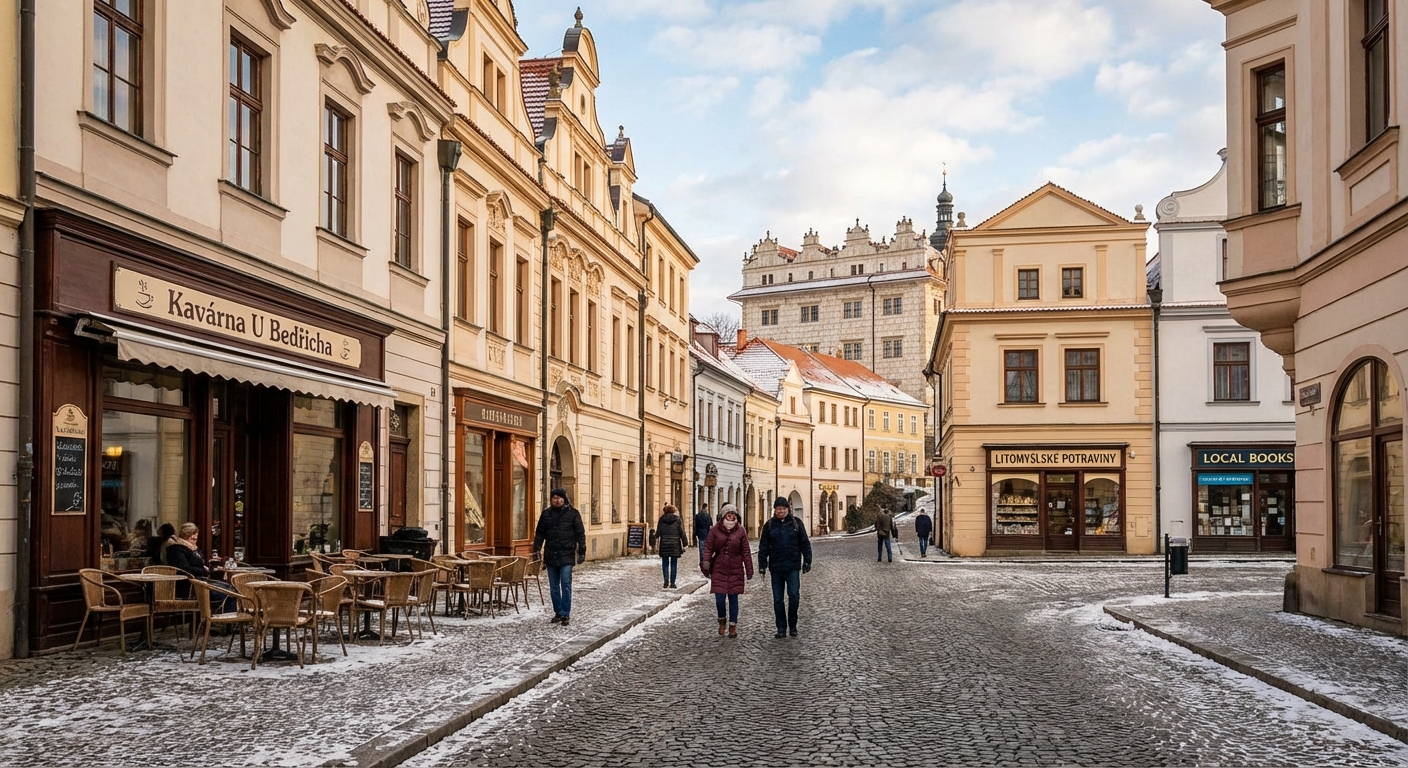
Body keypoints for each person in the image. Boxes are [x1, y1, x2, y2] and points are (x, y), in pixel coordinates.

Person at [757, 496, 812, 639]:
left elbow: (804, 542)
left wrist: (807, 560)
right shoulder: (769, 526)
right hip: (776, 568)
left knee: (794, 596)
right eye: (778, 509)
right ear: (775, 510)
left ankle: (792, 625)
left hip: (793, 566)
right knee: (777, 599)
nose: (780, 511)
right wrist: (762, 565)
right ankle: (781, 627)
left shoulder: (796, 523)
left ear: (788, 509)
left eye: (783, 508)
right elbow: (763, 547)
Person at [532, 488, 587, 626]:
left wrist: (582, 551)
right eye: (554, 498)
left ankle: (565, 613)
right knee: (554, 587)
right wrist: (536, 550)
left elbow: (580, 534)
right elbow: (540, 534)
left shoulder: (573, 514)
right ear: (551, 500)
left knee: (566, 584)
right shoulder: (546, 514)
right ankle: (557, 612)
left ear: (564, 499)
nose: (557, 500)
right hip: (551, 554)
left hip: (567, 555)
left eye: (559, 498)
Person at [702, 507, 753, 637]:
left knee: (733, 598)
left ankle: (732, 626)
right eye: (728, 515)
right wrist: (706, 562)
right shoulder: (714, 530)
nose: (731, 517)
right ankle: (722, 621)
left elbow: (746, 551)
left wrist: (749, 568)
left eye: (733, 515)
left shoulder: (741, 531)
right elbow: (708, 547)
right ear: (723, 516)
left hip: (735, 569)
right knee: (719, 598)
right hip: (719, 568)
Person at [655, 504, 689, 589]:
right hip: (675, 545)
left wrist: (654, 537)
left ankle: (666, 581)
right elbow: (682, 532)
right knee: (674, 564)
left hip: (664, 544)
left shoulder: (661, 519)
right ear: (673, 511)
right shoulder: (677, 519)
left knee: (665, 563)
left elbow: (658, 532)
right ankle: (673, 583)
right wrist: (685, 543)